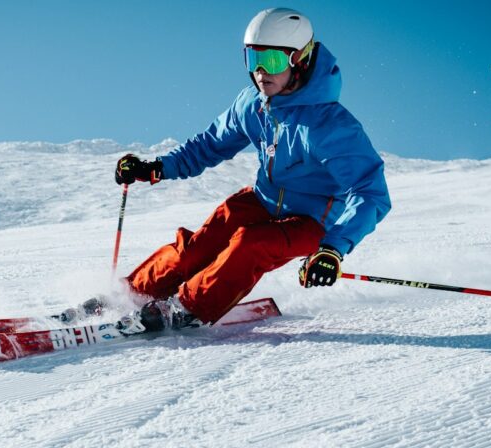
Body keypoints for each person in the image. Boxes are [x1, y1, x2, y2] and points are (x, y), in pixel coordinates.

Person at [113, 7, 391, 333]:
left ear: (299, 60)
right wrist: (155, 167)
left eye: (271, 61)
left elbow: (370, 193)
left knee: (251, 244)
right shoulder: (252, 104)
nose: (260, 72)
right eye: (252, 59)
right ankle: (130, 294)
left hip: (314, 221)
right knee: (199, 247)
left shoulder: (330, 126)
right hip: (262, 200)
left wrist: (333, 249)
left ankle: (186, 309)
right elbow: (208, 146)